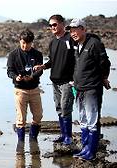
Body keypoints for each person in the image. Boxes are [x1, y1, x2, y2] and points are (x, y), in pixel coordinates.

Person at [66, 18, 111, 161]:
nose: (73, 33)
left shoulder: (94, 44)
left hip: (92, 88)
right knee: (83, 120)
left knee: (92, 120)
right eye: (71, 30)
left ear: (83, 29)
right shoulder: (77, 45)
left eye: (75, 29)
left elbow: (105, 63)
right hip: (79, 88)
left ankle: (91, 152)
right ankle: (85, 148)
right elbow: (78, 66)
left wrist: (103, 77)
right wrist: (74, 80)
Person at [32, 15, 76, 145]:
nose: (53, 27)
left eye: (55, 24)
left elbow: (77, 58)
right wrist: (43, 66)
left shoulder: (70, 39)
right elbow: (52, 61)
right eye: (50, 25)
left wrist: (76, 78)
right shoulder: (53, 42)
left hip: (68, 81)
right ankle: (63, 135)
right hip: (55, 81)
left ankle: (68, 137)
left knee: (66, 108)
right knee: (59, 108)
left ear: (62, 24)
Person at [7, 29, 43, 141]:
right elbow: (9, 71)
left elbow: (40, 70)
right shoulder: (13, 55)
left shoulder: (37, 54)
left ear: (32, 42)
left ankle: (33, 139)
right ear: (19, 41)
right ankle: (20, 143)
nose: (25, 45)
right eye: (23, 42)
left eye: (28, 43)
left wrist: (32, 76)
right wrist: (16, 77)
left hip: (35, 89)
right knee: (21, 118)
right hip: (20, 90)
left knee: (38, 116)